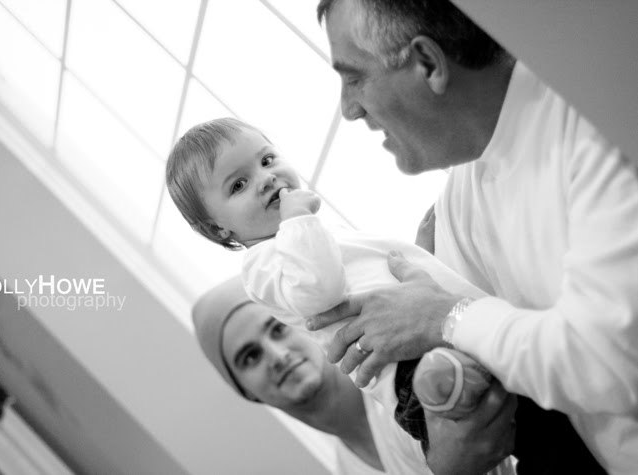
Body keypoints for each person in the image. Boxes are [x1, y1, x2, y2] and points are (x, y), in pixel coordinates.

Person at [166, 118, 601, 474]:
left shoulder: (307, 240)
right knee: (529, 427)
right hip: (411, 369)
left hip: (438, 340)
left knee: (546, 418)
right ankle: (445, 388)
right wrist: (299, 221)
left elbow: (367, 278)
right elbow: (319, 286)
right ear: (218, 229)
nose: (265, 180)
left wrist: (423, 255)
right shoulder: (267, 262)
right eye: (238, 185)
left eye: (266, 160)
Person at [312, 1, 638, 474]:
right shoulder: (459, 203)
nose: (348, 108)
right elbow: (456, 356)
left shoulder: (595, 119)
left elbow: (606, 365)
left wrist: (445, 316)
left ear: (428, 63)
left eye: (354, 77)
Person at [191, 275, 517, 474]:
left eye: (278, 330)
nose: (277, 356)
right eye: (250, 357)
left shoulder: (400, 374)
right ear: (245, 391)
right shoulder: (349, 469)